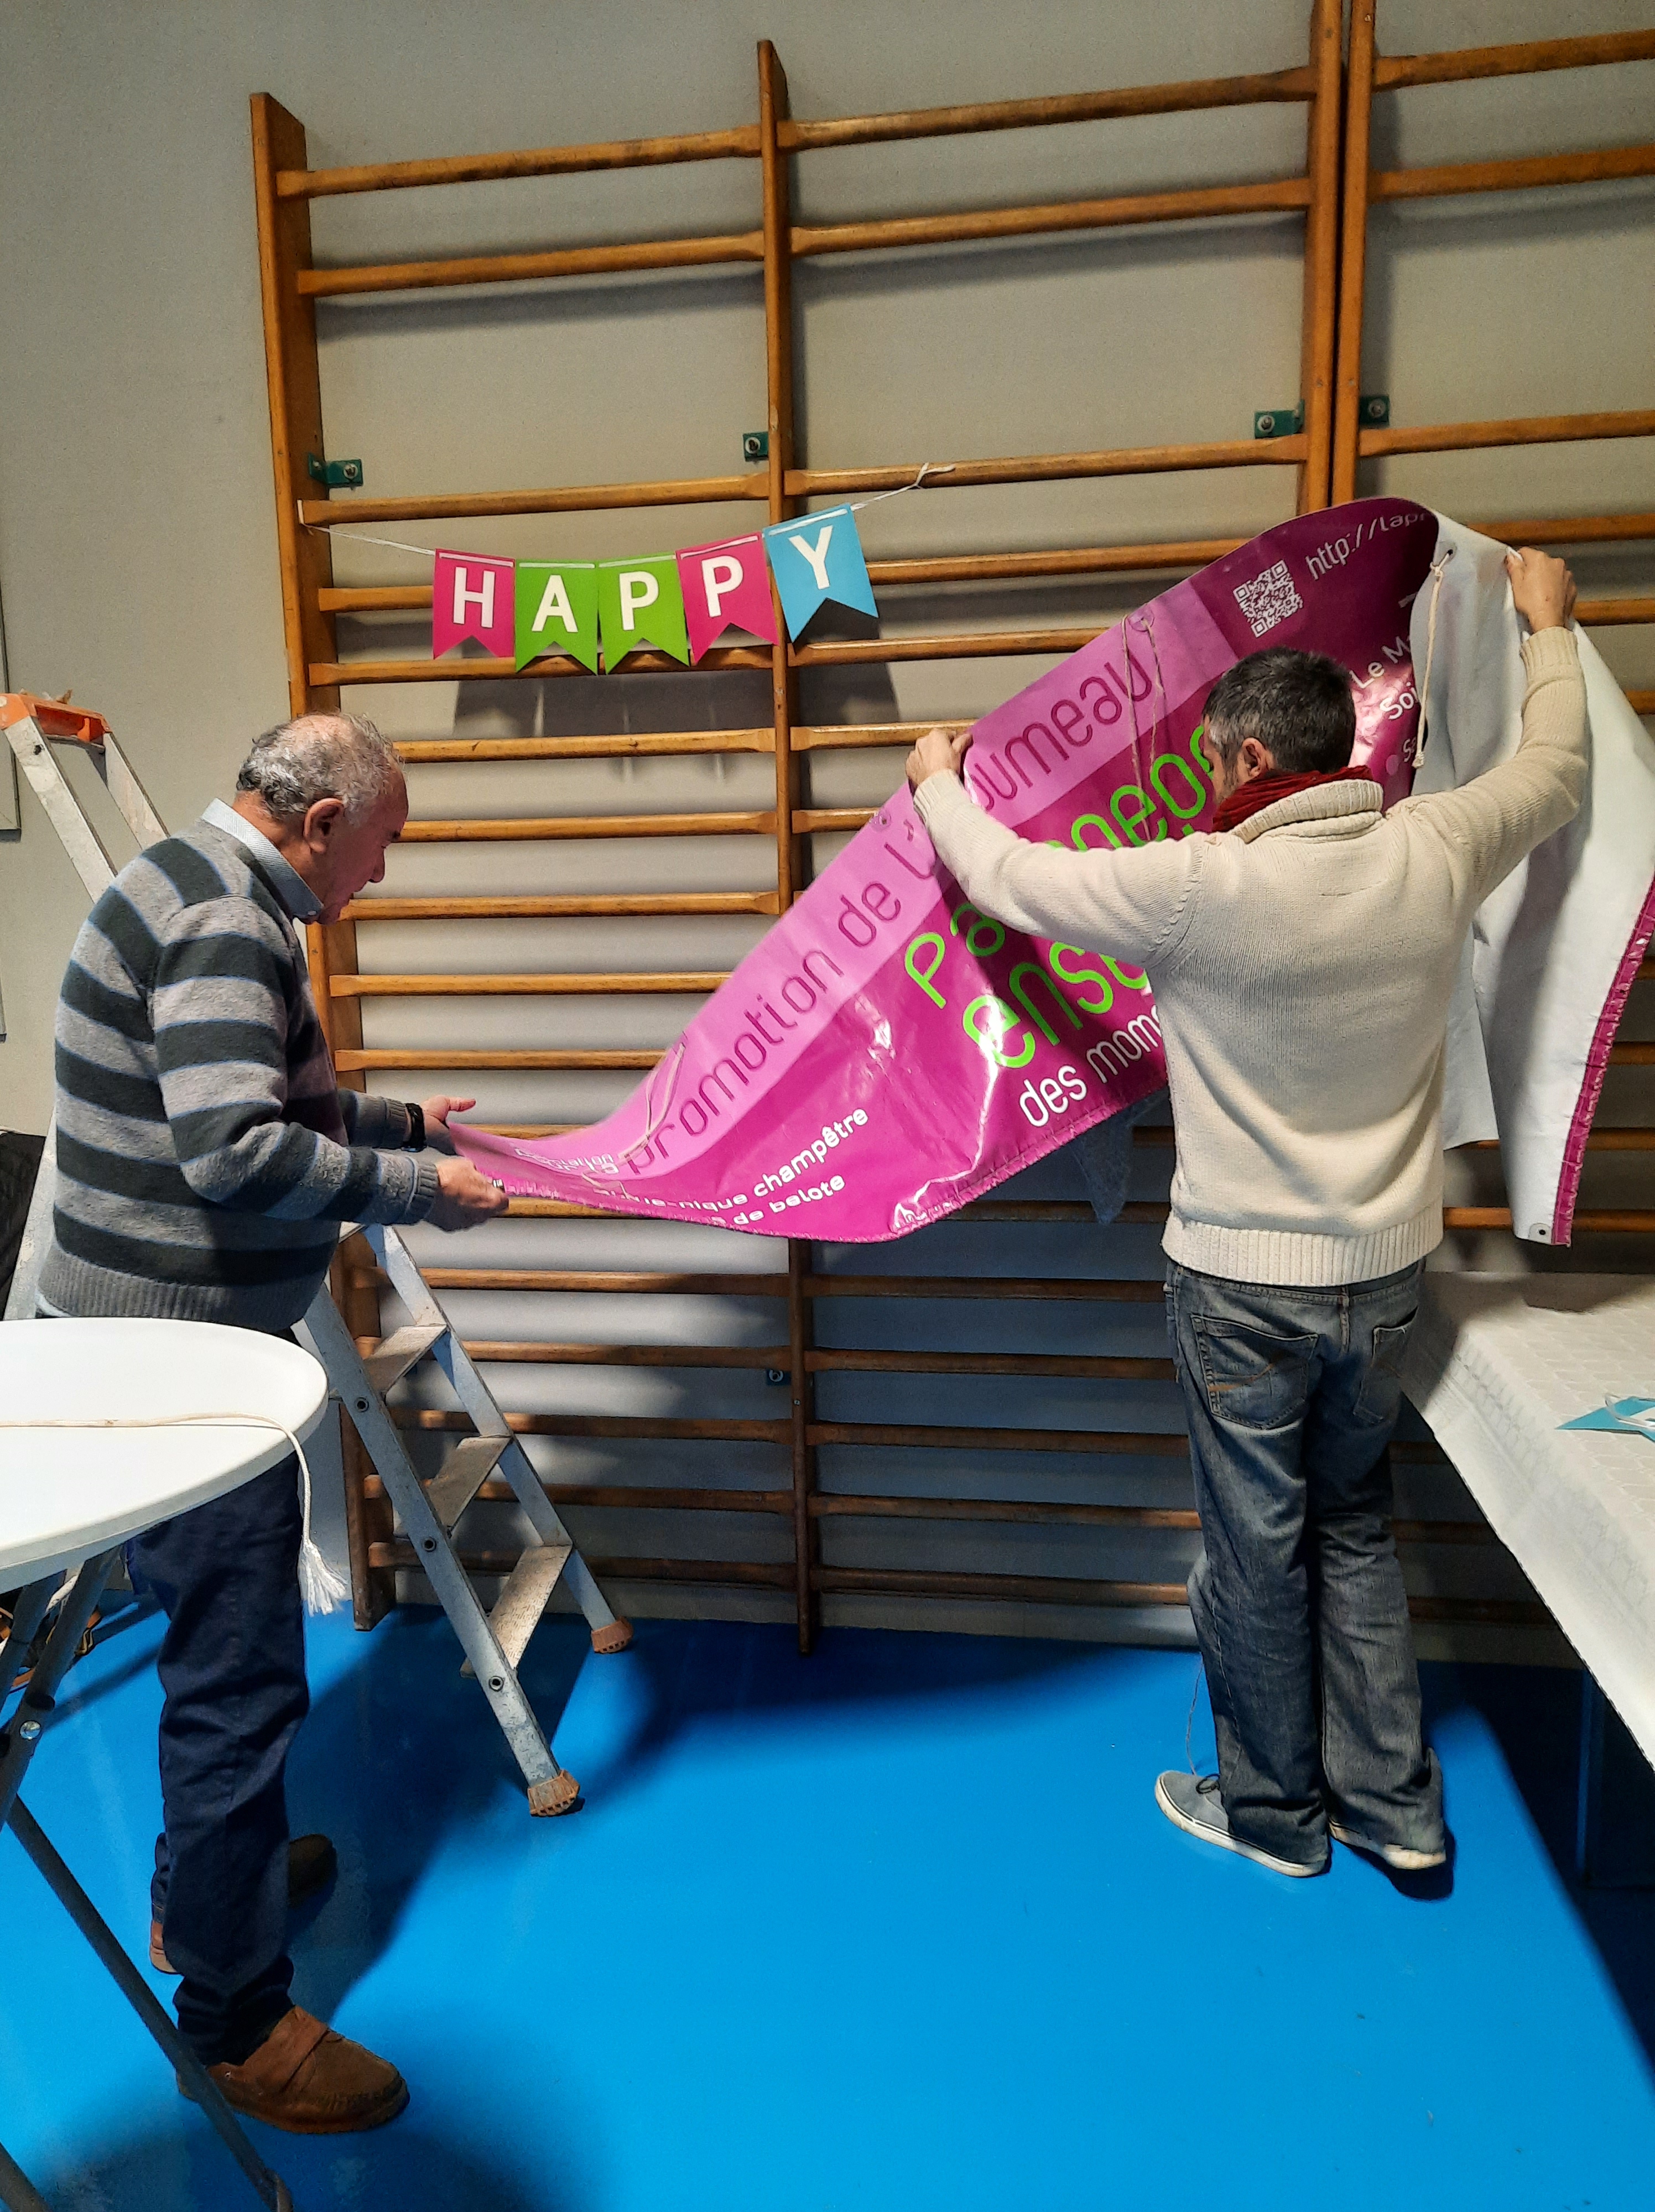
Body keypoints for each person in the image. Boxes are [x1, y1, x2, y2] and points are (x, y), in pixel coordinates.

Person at [905, 549, 1585, 1881]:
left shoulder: (1193, 884)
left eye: (1216, 756)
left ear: (1255, 754)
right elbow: (1555, 767)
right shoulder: (1434, 845)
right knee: (1353, 1525)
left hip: (1236, 1289)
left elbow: (1007, 879)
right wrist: (1544, 628)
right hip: (1382, 1277)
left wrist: (937, 780)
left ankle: (1273, 1815)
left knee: (1253, 1553)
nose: (1208, 776)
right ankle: (1397, 1809)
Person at [40, 711, 508, 2128]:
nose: (380, 873)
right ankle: (238, 2020)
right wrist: (421, 1191)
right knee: (238, 1680)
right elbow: (233, 1148)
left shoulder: (193, 880)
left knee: (220, 1663)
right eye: (381, 845)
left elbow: (261, 1094)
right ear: (318, 826)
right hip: (173, 1363)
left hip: (144, 1337)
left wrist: (402, 1122)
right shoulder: (231, 923)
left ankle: (205, 1898)